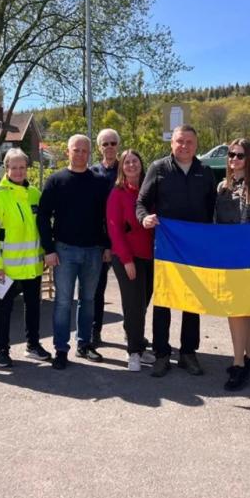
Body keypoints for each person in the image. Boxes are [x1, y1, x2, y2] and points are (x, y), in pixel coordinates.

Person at [136, 124, 216, 377]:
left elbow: (214, 209)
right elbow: (141, 202)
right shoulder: (158, 168)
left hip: (195, 248)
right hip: (167, 246)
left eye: (189, 142)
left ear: (196, 145)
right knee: (164, 301)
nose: (184, 146)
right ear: (172, 143)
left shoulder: (205, 171)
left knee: (192, 301)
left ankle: (188, 354)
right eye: (179, 141)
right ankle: (161, 354)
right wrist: (144, 218)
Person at [37, 134, 111, 370]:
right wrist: (48, 249)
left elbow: (107, 218)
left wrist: (107, 245)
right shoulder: (56, 180)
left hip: (93, 251)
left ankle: (85, 344)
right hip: (64, 250)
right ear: (68, 152)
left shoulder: (99, 182)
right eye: (76, 150)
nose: (80, 154)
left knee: (88, 300)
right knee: (62, 302)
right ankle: (61, 349)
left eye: (84, 151)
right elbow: (42, 216)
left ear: (90, 153)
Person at [0, 148, 50, 368]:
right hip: (7, 268)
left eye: (22, 167)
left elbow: (43, 229)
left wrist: (45, 255)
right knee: (4, 310)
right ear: (6, 168)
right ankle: (1, 350)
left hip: (32, 265)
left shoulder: (35, 194)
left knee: (33, 306)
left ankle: (33, 345)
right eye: (14, 167)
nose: (18, 171)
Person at [215, 138, 250, 391]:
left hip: (245, 257)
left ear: (249, 159)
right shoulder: (222, 186)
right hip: (225, 255)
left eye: (239, 155)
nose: (234, 159)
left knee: (238, 309)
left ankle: (238, 365)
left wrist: (247, 255)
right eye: (231, 155)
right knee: (240, 310)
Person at [106, 149, 157, 372]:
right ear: (121, 168)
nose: (131, 165)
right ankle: (134, 352)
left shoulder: (150, 191)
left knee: (143, 302)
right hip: (128, 257)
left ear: (141, 164)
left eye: (135, 161)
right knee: (133, 304)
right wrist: (126, 260)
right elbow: (114, 229)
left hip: (151, 256)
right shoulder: (117, 193)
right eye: (126, 162)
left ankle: (136, 339)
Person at [90, 128, 120, 346]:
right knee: (96, 290)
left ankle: (133, 332)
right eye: (105, 144)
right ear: (99, 147)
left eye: (113, 143)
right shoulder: (92, 172)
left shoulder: (127, 168)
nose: (109, 147)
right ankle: (94, 331)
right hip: (99, 240)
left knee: (133, 292)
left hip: (124, 239)